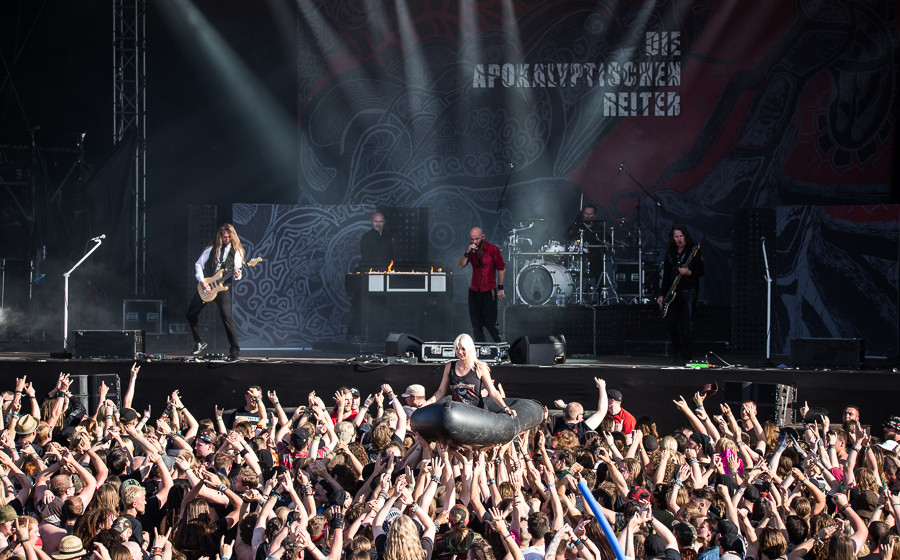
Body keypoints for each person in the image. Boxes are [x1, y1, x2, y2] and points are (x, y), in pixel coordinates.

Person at [186, 223, 244, 360]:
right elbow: (198, 264)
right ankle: (200, 341)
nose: (226, 239)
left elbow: (238, 272)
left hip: (223, 289)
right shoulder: (212, 248)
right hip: (208, 287)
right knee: (191, 313)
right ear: (220, 236)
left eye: (229, 237)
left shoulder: (237, 251)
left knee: (227, 318)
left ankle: (235, 350)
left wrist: (237, 273)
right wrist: (202, 281)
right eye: (224, 236)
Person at [425, 333, 516, 416]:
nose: (460, 352)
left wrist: (506, 408)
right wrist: (428, 402)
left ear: (469, 349)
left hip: (477, 414)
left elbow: (492, 392)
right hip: (458, 415)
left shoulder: (480, 367)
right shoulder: (450, 366)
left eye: (463, 349)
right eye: (457, 348)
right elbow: (441, 391)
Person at [657, 224, 703, 363]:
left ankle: (687, 354)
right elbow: (666, 276)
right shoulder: (670, 252)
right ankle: (678, 350)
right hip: (673, 293)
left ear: (685, 236)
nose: (679, 239)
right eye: (676, 237)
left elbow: (700, 271)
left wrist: (689, 272)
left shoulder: (693, 251)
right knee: (670, 323)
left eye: (681, 236)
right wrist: (662, 294)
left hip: (689, 292)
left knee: (687, 324)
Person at [459, 227, 505, 342]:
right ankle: (481, 349)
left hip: (489, 290)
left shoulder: (492, 249)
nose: (474, 242)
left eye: (476, 239)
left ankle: (499, 344)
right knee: (476, 324)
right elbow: (461, 265)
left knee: (490, 323)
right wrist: (467, 253)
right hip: (474, 290)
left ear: (483, 237)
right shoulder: (470, 251)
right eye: (472, 239)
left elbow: (501, 268)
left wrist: (500, 288)